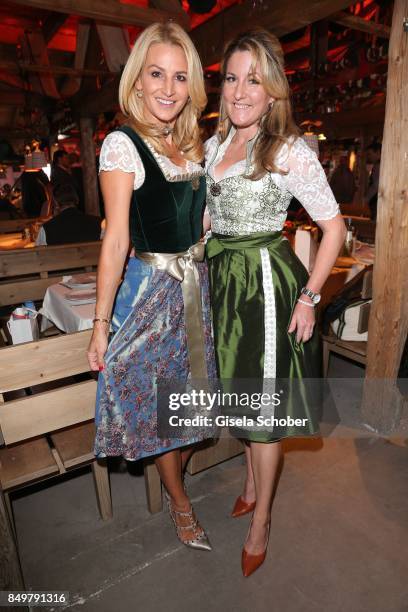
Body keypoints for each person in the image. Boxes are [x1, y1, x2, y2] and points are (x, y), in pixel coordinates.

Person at [204, 28, 346, 576]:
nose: (240, 91)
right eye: (233, 78)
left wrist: (310, 297)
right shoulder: (216, 146)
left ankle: (262, 519)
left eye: (253, 80)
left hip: (265, 283)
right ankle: (247, 480)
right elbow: (211, 219)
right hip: (225, 282)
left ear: (273, 92)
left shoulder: (289, 151)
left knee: (264, 408)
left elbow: (332, 231)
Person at [87, 22, 215, 551]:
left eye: (179, 77)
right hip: (150, 297)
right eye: (156, 74)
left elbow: (198, 223)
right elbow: (115, 239)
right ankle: (180, 505)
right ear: (136, 81)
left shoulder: (189, 146)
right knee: (165, 411)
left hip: (193, 290)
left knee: (195, 406)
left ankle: (172, 475)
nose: (167, 87)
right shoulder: (123, 144)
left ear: (192, 87)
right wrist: (98, 325)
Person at [35, 183, 101, 245]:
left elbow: (37, 253)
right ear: (77, 200)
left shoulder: (46, 229)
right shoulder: (98, 223)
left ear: (56, 204)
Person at [365, 142, 381, 220]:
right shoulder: (381, 164)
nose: (368, 157)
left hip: (377, 201)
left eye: (370, 154)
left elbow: (376, 185)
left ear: (378, 152)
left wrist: (366, 199)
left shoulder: (378, 166)